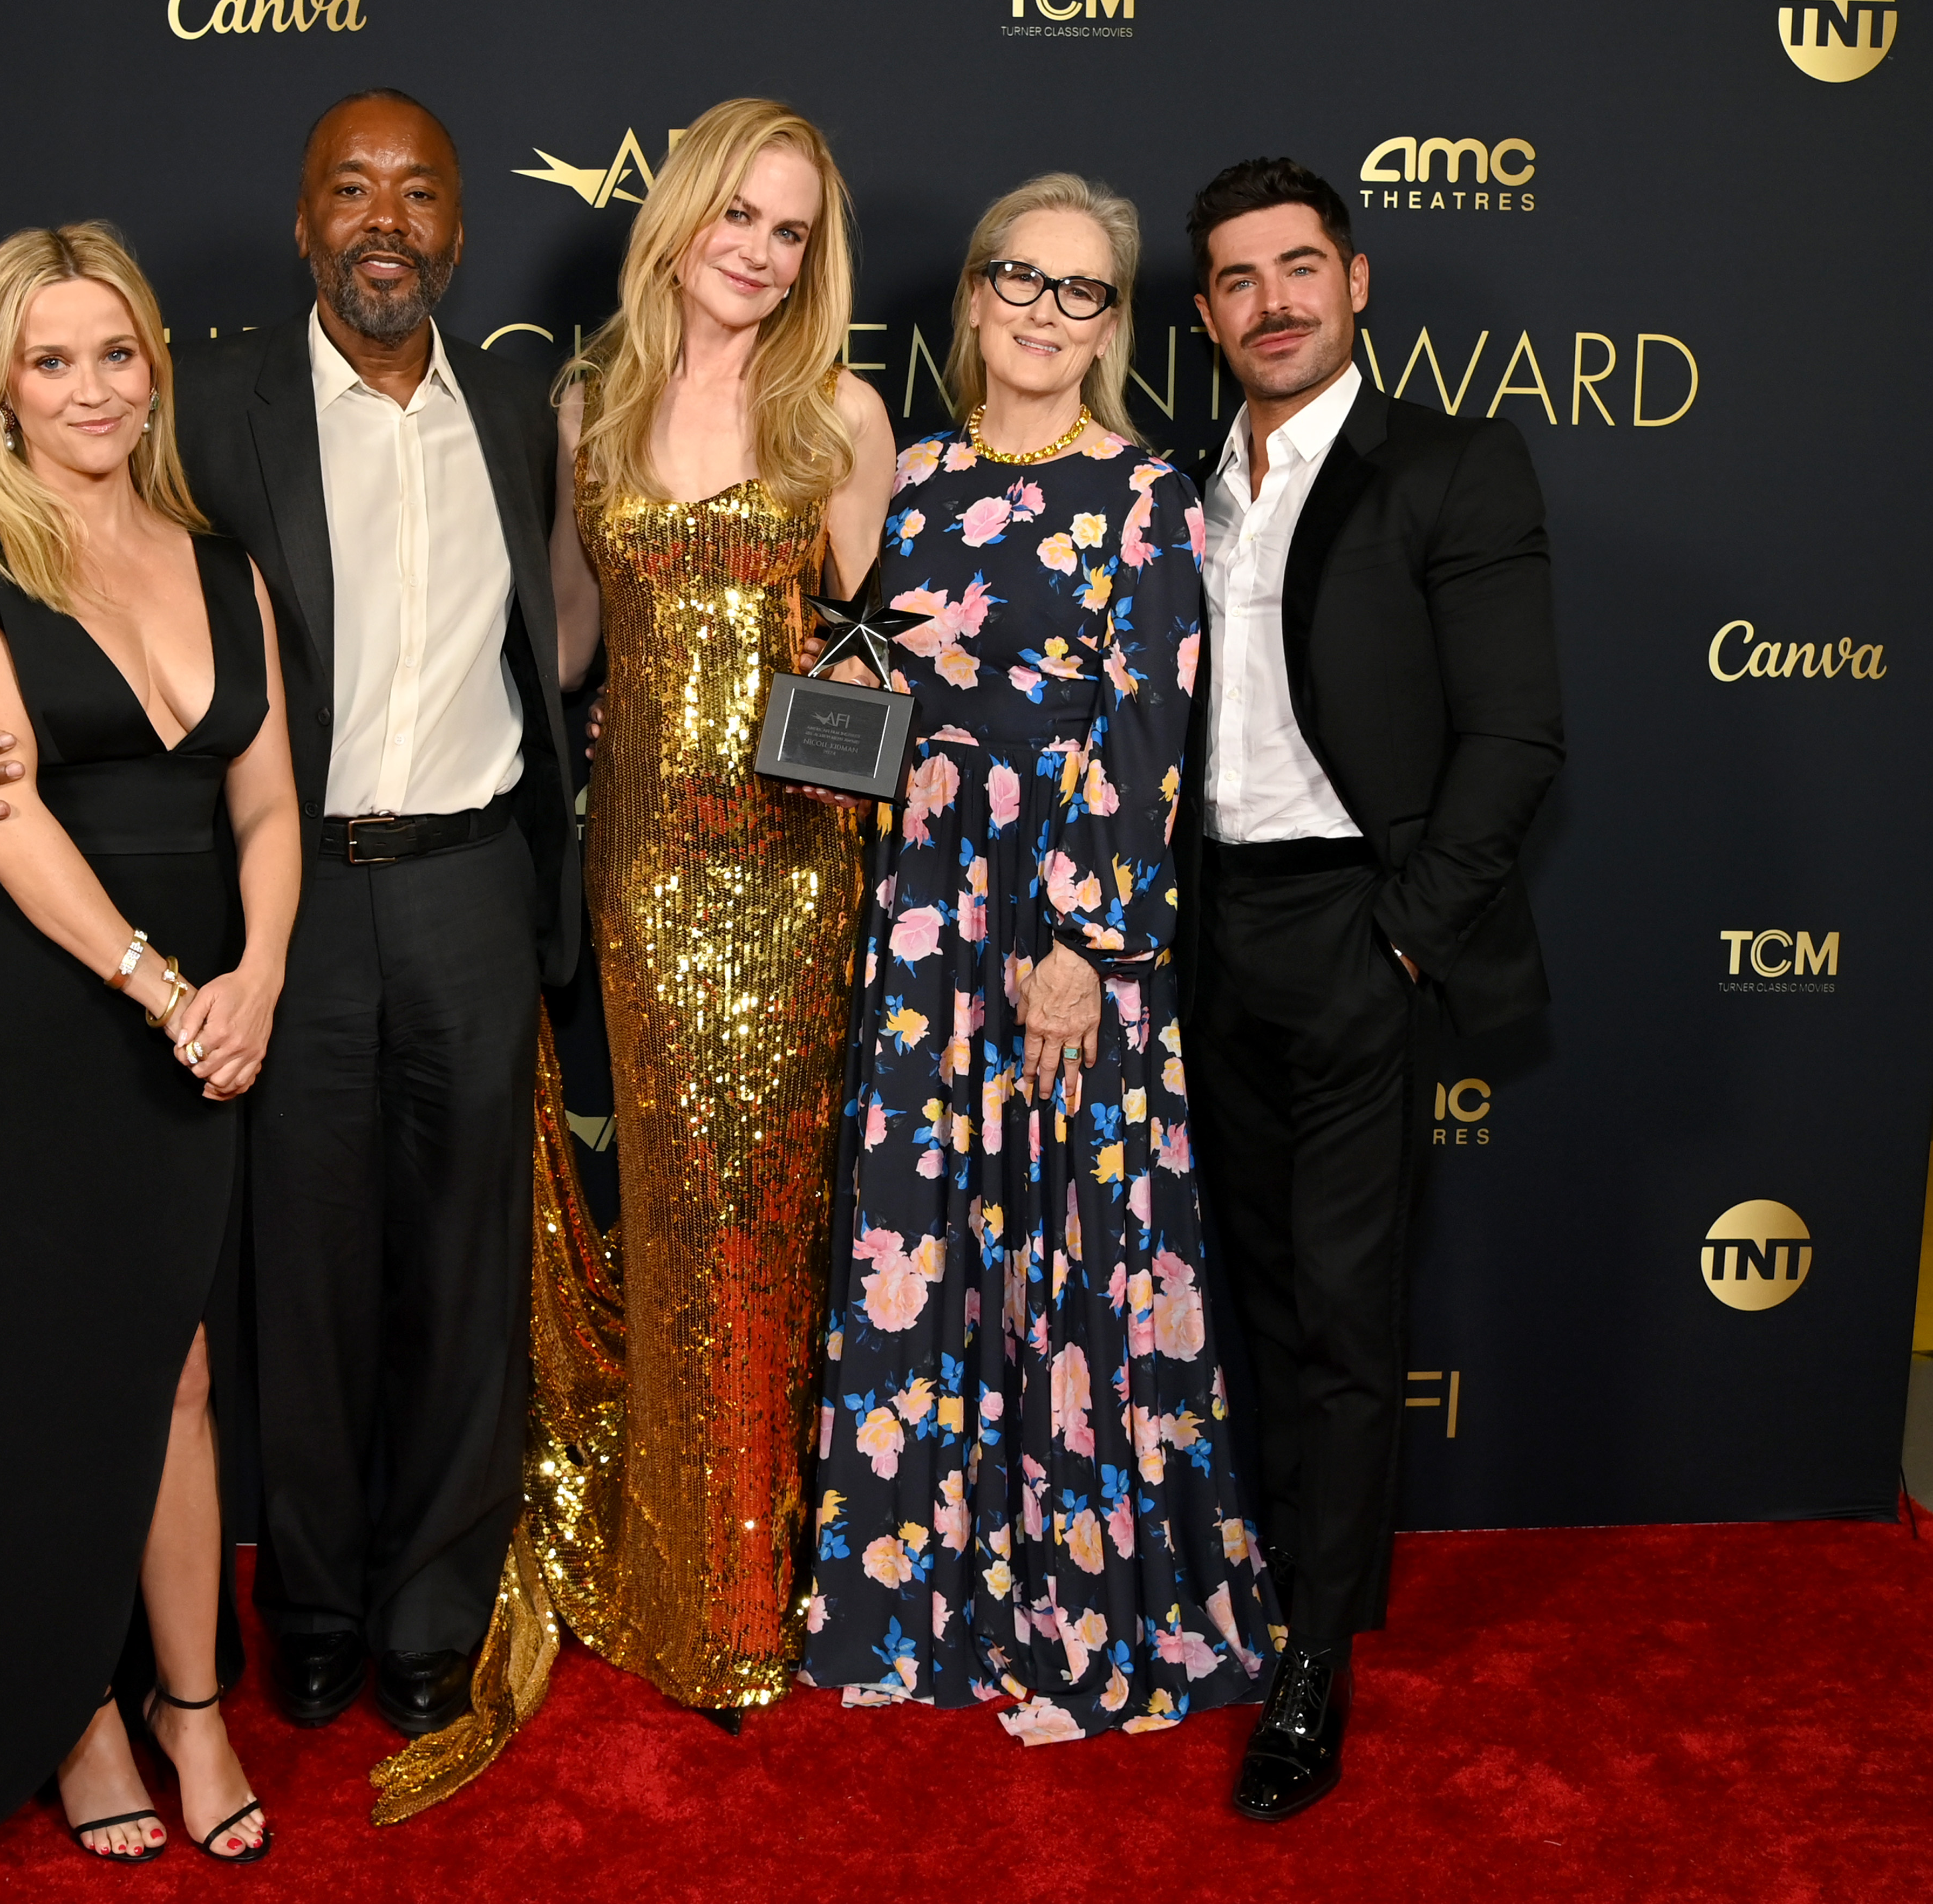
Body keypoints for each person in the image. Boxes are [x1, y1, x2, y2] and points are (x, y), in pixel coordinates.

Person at [0, 91, 580, 1749]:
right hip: (295, 904)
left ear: (462, 231)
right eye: (351, 189)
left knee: (466, 1276)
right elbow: (45, 588)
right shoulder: (207, 404)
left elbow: (576, 622)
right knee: (304, 1281)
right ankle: (321, 1607)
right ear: (301, 223)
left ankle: (434, 1608)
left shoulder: (516, 400)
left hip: (477, 879)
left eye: (421, 193)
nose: (386, 220)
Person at [799, 173, 1279, 1744]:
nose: (1045, 313)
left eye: (1082, 292)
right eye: (1022, 277)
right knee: (927, 1235)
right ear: (975, 294)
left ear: (1115, 323)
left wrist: (1081, 935)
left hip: (1065, 933)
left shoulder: (1146, 496)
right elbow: (852, 685)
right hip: (925, 917)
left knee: (1070, 1248)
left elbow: (1148, 727)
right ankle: (924, 1594)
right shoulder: (909, 476)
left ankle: (1078, 1596)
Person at [0, 222, 294, 1860]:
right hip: (45, 1013)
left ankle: (189, 1706)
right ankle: (68, 1712)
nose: (89, 388)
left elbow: (266, 795)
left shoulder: (224, 563)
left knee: (181, 1375)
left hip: (208, 1011)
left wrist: (259, 970)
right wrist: (161, 982)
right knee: (43, 1380)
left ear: (155, 365)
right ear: (0, 378)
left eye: (115, 352)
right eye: (50, 359)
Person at [1175, 157, 1562, 1820]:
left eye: (1299, 269)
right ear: (1204, 313)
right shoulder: (1178, 486)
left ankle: (1315, 1660)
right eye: (1240, 280)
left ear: (1358, 280)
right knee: (1258, 1302)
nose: (1273, 301)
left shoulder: (1448, 466)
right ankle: (1293, 1583)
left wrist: (1403, 929)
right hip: (1200, 931)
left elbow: (1518, 738)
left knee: (1343, 1314)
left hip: (1353, 925)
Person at [539, 97, 894, 1726]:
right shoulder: (588, 407)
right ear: (677, 216)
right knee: (678, 1212)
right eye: (736, 215)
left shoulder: (841, 415)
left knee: (773, 1217)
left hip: (791, 872)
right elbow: (559, 639)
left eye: (791, 229)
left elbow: (870, 663)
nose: (757, 251)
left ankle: (763, 1585)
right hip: (640, 872)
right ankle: (686, 1559)